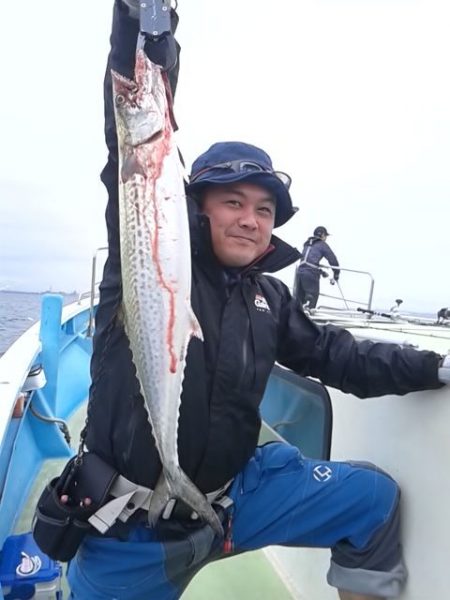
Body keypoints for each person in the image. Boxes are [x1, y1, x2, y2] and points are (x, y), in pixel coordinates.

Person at [65, 3, 450, 599]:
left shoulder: (270, 298)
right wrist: (144, 26)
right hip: (129, 532)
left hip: (236, 500)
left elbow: (339, 356)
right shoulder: (141, 255)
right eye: (233, 203)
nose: (251, 220)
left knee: (371, 500)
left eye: (264, 210)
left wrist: (435, 365)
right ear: (193, 207)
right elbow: (130, 144)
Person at [295, 225, 340, 309]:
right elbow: (333, 260)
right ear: (322, 235)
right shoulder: (322, 245)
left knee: (299, 303)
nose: (326, 238)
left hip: (300, 273)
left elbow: (307, 262)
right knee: (312, 302)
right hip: (310, 275)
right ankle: (308, 318)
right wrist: (336, 274)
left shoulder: (307, 244)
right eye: (326, 236)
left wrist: (321, 272)